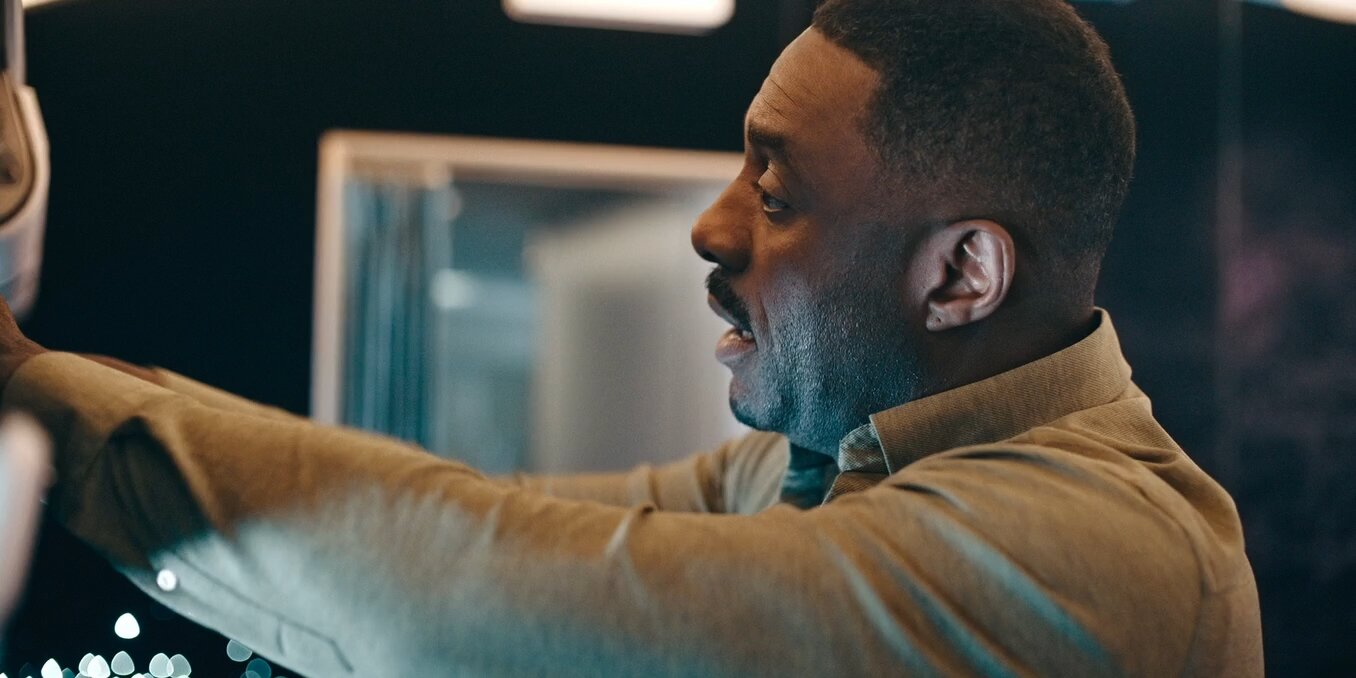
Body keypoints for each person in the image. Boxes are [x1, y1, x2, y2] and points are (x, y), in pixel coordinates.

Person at [0, 0, 1262, 675]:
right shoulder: (829, 460)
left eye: (776, 192)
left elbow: (513, 606)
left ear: (962, 276)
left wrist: (39, 397)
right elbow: (499, 516)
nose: (711, 228)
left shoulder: (1098, 551)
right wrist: (105, 387)